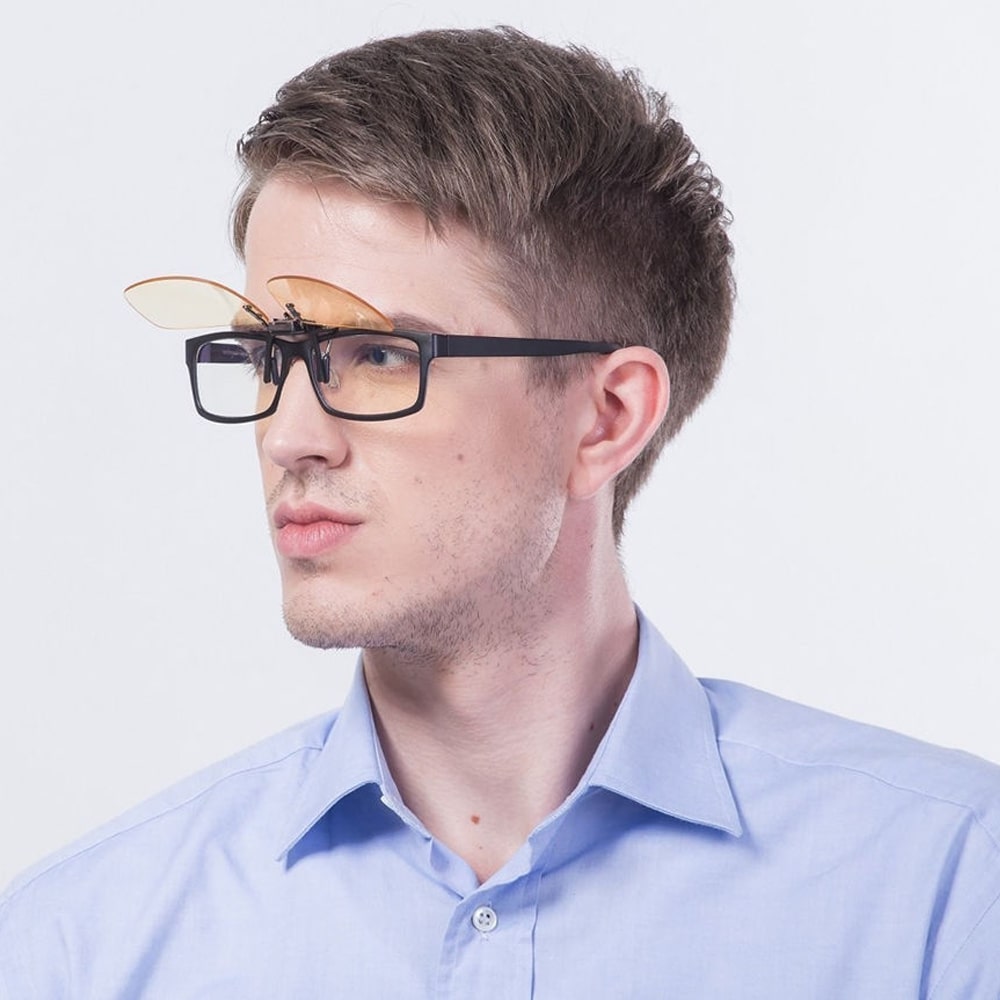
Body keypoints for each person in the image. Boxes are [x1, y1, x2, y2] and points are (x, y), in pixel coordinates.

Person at [1, 25, 998, 999]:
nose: (288, 434)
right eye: (270, 355)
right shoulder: (77, 946)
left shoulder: (944, 889)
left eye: (379, 355)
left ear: (607, 417)